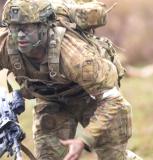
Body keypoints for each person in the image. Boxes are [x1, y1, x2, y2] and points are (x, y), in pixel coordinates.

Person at [0, 0, 142, 159]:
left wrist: (84, 139)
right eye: (14, 27)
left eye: (26, 27)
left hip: (94, 99)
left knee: (114, 157)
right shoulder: (5, 44)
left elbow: (113, 100)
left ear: (44, 27)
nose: (19, 35)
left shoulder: (75, 57)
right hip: (52, 101)